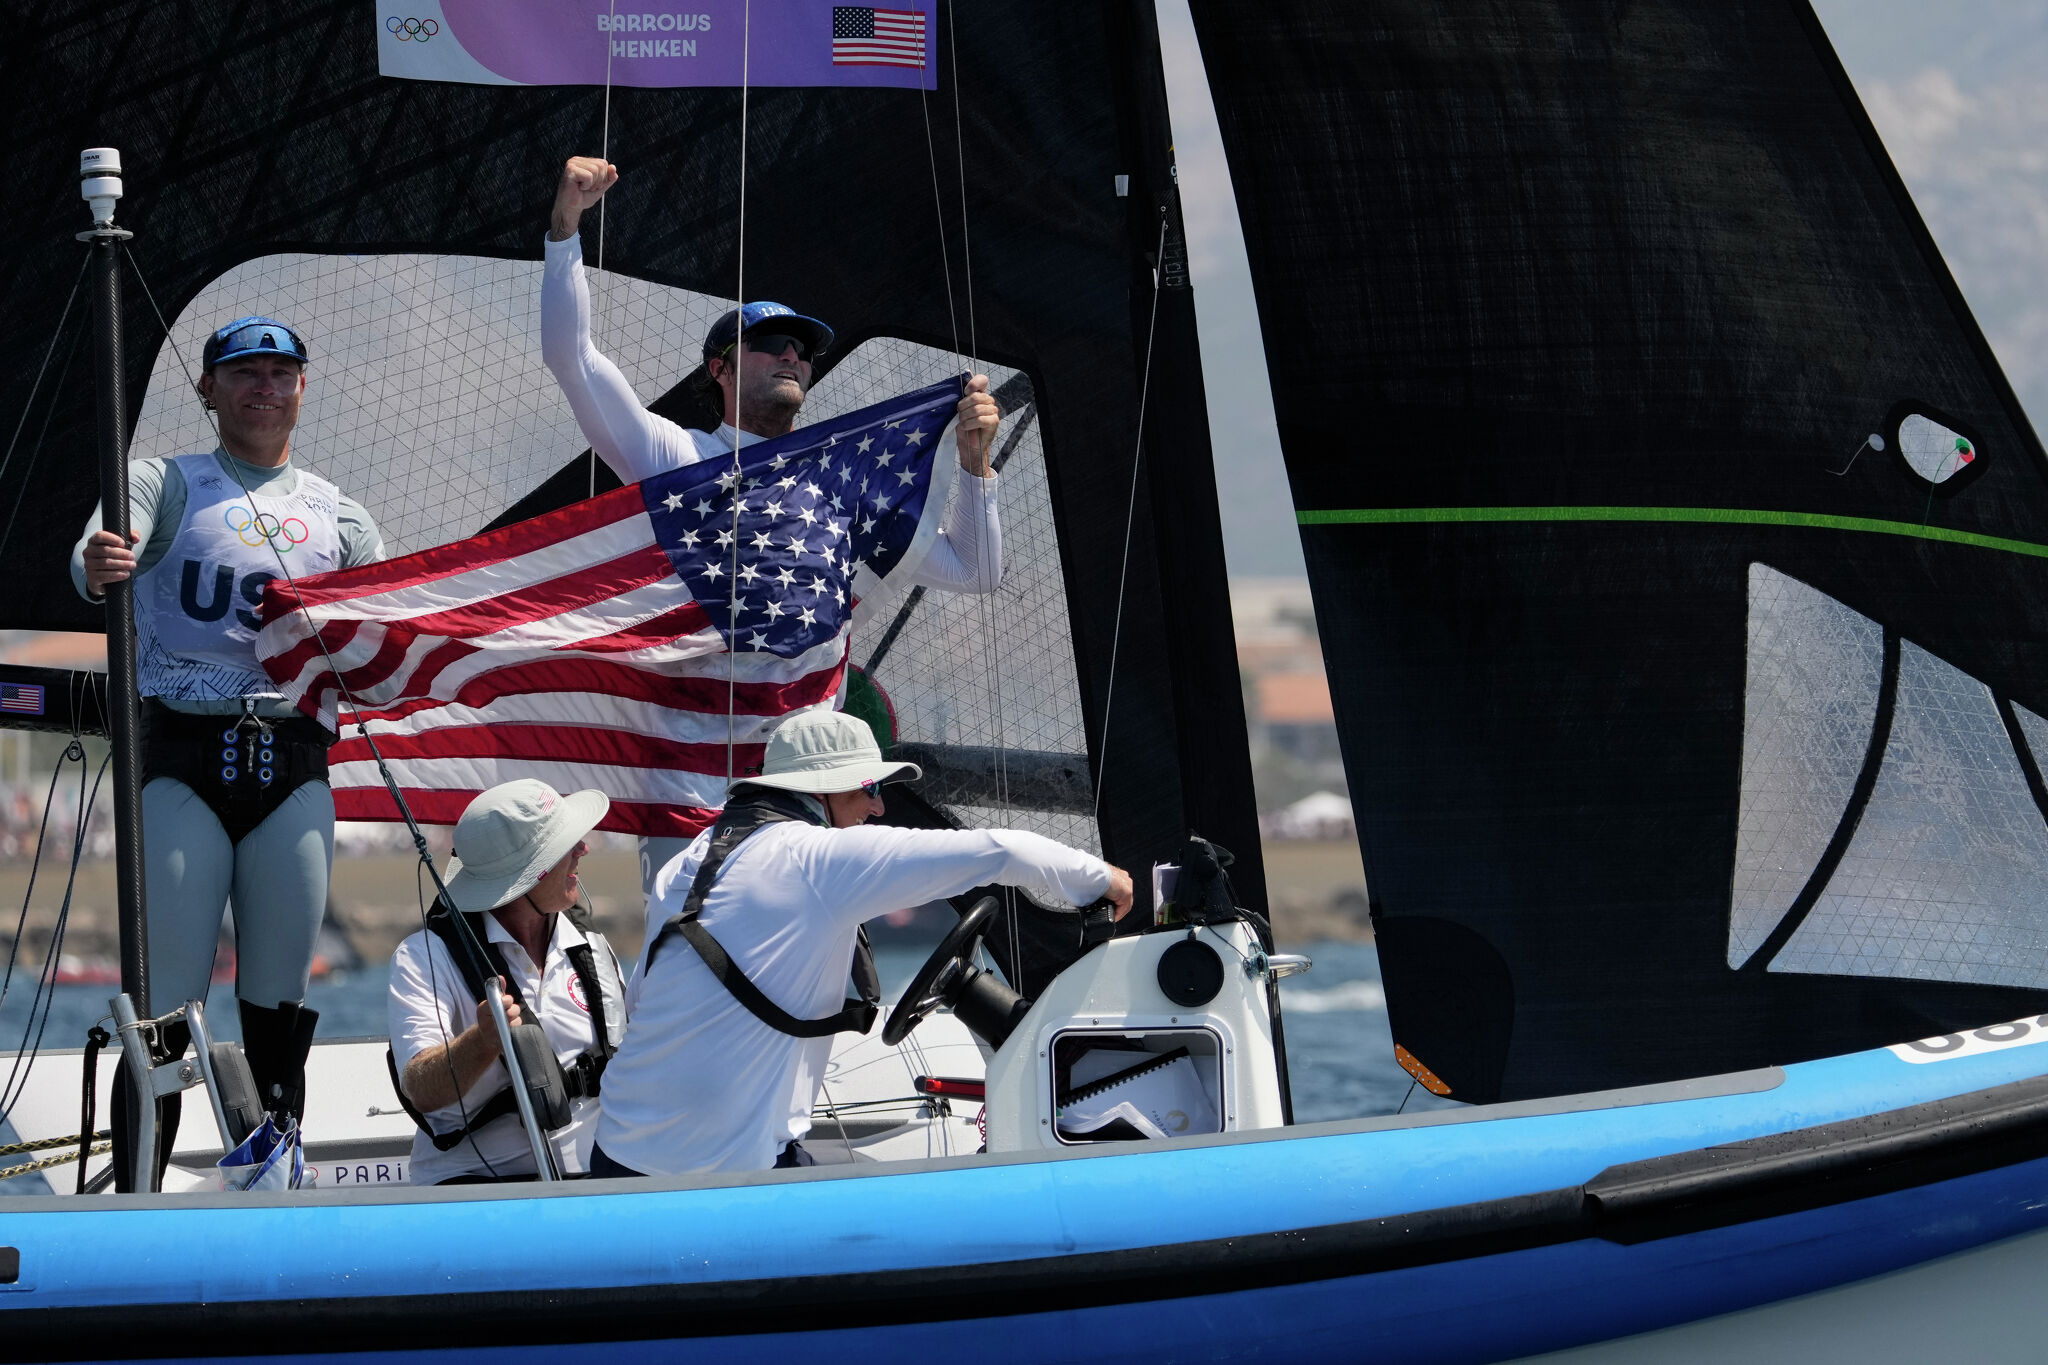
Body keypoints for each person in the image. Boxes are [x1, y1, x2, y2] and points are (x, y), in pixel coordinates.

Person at [540, 155, 1007, 904]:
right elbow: (573, 359)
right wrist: (565, 228)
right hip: (689, 785)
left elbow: (974, 569)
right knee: (689, 968)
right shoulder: (676, 458)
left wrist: (976, 466)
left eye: (802, 349)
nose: (792, 354)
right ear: (720, 370)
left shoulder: (842, 486)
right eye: (771, 344)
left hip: (807, 785)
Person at [72, 317, 384, 1179]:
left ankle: (275, 1189)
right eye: (243, 372)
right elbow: (95, 549)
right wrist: (97, 563)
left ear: (303, 388)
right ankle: (137, 1195)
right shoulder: (161, 481)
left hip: (293, 770)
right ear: (207, 389)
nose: (263, 387)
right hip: (182, 762)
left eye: (281, 372)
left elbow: (380, 633)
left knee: (277, 1009)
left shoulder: (341, 515)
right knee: (166, 1012)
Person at [589, 710, 1134, 1177]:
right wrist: (1105, 881)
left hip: (618, 1149)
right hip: (714, 1172)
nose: (876, 808)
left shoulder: (695, 857)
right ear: (824, 789)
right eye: (870, 788)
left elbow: (642, 1002)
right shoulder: (812, 858)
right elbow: (1000, 851)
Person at [387, 780, 629, 1185]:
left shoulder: (594, 948)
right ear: (529, 875)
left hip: (595, 1179)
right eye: (567, 844)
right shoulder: (421, 957)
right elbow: (421, 1089)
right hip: (476, 1186)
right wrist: (483, 1041)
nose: (583, 849)